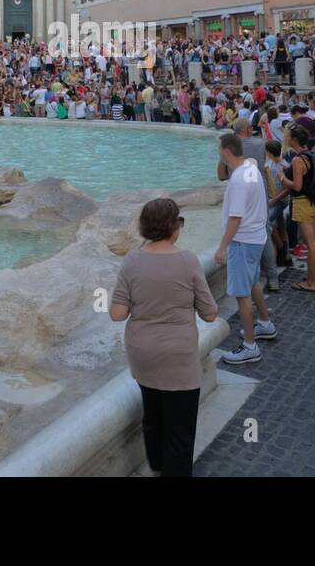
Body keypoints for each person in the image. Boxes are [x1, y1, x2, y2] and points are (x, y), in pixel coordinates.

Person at [110, 198, 219, 477]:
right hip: (178, 358)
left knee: (153, 416)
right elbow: (209, 314)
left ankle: (156, 466)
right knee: (179, 429)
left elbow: (117, 313)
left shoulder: (132, 260)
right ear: (173, 227)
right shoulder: (187, 261)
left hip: (143, 355)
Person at [216, 132, 277, 364]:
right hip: (257, 237)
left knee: (242, 296)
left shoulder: (240, 180)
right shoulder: (251, 167)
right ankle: (265, 323)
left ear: (226, 151)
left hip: (242, 241)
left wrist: (222, 247)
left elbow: (235, 218)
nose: (217, 151)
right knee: (253, 283)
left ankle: (250, 347)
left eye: (218, 149)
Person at [218, 118, 278, 291]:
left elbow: (221, 176)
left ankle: (253, 279)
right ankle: (273, 277)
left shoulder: (229, 150)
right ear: (249, 129)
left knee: (241, 235)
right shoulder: (261, 144)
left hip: (239, 195)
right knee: (263, 232)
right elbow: (265, 168)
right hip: (259, 194)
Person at [285, 125, 315, 293]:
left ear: (294, 140)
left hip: (302, 203)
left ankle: (310, 282)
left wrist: (282, 177)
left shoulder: (297, 160)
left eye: (289, 137)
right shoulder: (312, 154)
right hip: (314, 201)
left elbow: (297, 185)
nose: (287, 139)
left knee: (311, 244)